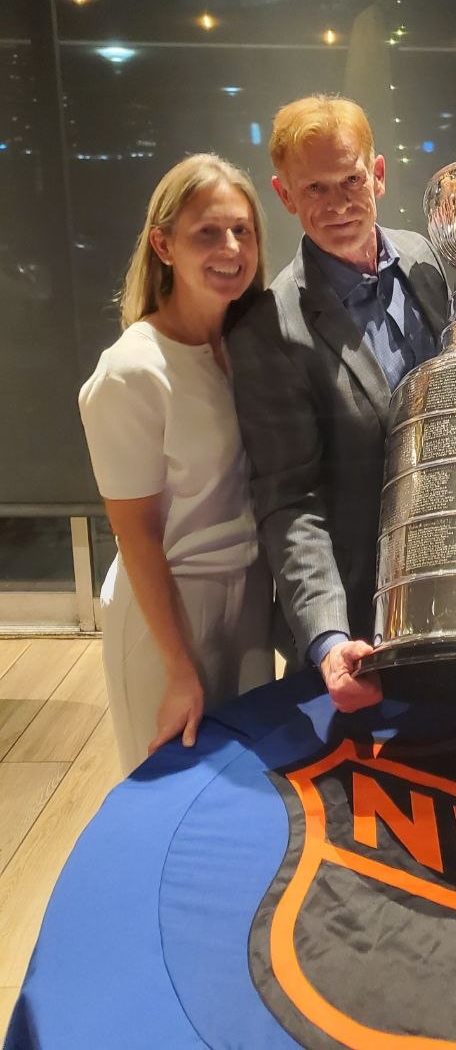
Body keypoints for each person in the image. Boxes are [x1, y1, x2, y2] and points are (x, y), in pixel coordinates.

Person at [227, 95, 449, 713]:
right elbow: (289, 500)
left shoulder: (429, 262)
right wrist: (328, 639)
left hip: (455, 596)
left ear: (377, 174)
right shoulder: (270, 330)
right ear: (285, 195)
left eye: (350, 180)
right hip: (357, 626)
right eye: (315, 188)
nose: (338, 204)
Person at [79, 154, 275, 774]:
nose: (230, 247)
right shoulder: (132, 371)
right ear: (163, 245)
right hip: (169, 613)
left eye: (242, 230)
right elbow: (135, 534)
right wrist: (178, 668)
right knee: (168, 795)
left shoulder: (250, 347)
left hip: (249, 602)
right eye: (207, 232)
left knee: (245, 795)